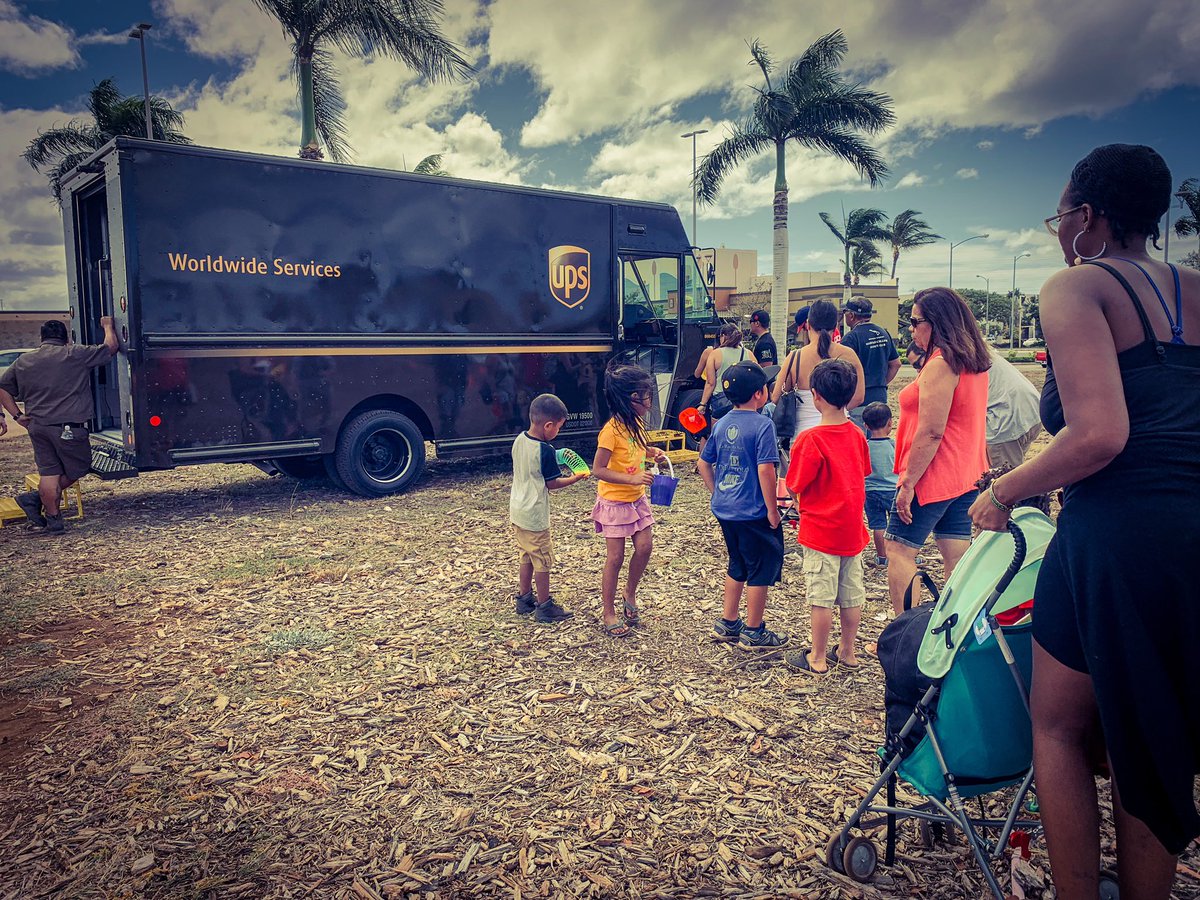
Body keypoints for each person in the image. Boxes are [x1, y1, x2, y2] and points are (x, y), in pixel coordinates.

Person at [969, 143, 1199, 899]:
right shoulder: (1195, 288)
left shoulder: (1077, 287)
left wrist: (1004, 493)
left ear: (1088, 216)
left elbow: (1099, 434)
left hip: (1117, 535)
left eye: (1059, 215)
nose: (1056, 232)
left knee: (1059, 727)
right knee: (1152, 733)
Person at [883, 288, 989, 622]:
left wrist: (909, 481)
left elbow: (931, 431)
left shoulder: (941, 364)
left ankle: (905, 636)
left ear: (937, 323)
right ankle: (955, 628)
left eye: (915, 322)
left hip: (933, 475)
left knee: (899, 551)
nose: (911, 329)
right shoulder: (973, 361)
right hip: (966, 472)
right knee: (956, 552)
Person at [783, 358, 870, 675]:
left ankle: (817, 657)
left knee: (821, 597)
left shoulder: (810, 440)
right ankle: (847, 651)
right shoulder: (857, 434)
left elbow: (795, 484)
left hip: (821, 531)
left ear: (815, 395)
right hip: (851, 530)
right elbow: (861, 473)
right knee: (850, 595)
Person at [698, 361, 787, 651]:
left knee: (737, 562)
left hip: (726, 509)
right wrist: (772, 509)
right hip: (753, 511)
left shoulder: (722, 422)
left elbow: (703, 462)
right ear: (760, 394)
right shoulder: (763, 425)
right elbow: (765, 470)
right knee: (760, 568)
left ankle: (728, 621)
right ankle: (753, 630)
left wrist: (717, 493)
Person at [0, 317, 118, 534]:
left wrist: (17, 416)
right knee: (79, 468)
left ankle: (54, 522)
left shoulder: (24, 361)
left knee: (49, 473)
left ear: (42, 338)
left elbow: (2, 388)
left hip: (37, 426)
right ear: (65, 338)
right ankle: (34, 498)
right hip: (68, 428)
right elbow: (110, 348)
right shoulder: (73, 354)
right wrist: (108, 326)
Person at [591, 364, 667, 638]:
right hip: (615, 502)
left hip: (637, 500)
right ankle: (608, 611)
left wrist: (651, 452)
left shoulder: (634, 424)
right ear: (632, 398)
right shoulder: (610, 431)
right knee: (615, 558)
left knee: (645, 547)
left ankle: (629, 593)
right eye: (646, 395)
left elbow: (635, 450)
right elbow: (598, 469)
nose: (650, 400)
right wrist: (631, 479)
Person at [509, 393, 588, 623]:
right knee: (542, 559)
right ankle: (545, 606)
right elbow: (552, 483)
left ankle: (524, 599)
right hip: (534, 514)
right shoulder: (544, 450)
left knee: (526, 555)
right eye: (559, 428)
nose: (558, 433)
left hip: (517, 509)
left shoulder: (520, 439)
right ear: (549, 425)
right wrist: (576, 478)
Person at [771, 300, 865, 449]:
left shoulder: (795, 357)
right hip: (840, 433)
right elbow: (859, 397)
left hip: (803, 437)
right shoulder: (848, 355)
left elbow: (776, 397)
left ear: (808, 324)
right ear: (835, 326)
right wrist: (837, 408)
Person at [840, 296, 900, 433]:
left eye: (845, 312)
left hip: (858, 401)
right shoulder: (883, 333)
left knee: (862, 445)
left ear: (852, 315)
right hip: (880, 398)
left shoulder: (851, 338)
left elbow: (841, 371)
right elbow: (895, 364)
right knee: (877, 441)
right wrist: (881, 382)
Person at [984, 348, 1042, 469]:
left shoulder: (952, 357)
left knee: (1000, 480)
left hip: (1004, 420)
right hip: (1030, 412)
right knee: (1012, 471)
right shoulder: (979, 350)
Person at [862, 401, 897, 569]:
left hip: (870, 491)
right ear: (890, 422)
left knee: (878, 525)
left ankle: (882, 557)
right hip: (892, 490)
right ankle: (898, 554)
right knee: (896, 524)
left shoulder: (865, 447)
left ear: (866, 425)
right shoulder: (893, 445)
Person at [697, 323, 747, 422]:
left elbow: (711, 383)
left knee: (717, 434)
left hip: (721, 401)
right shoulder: (748, 353)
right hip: (743, 400)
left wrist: (702, 404)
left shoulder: (715, 354)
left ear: (723, 336)